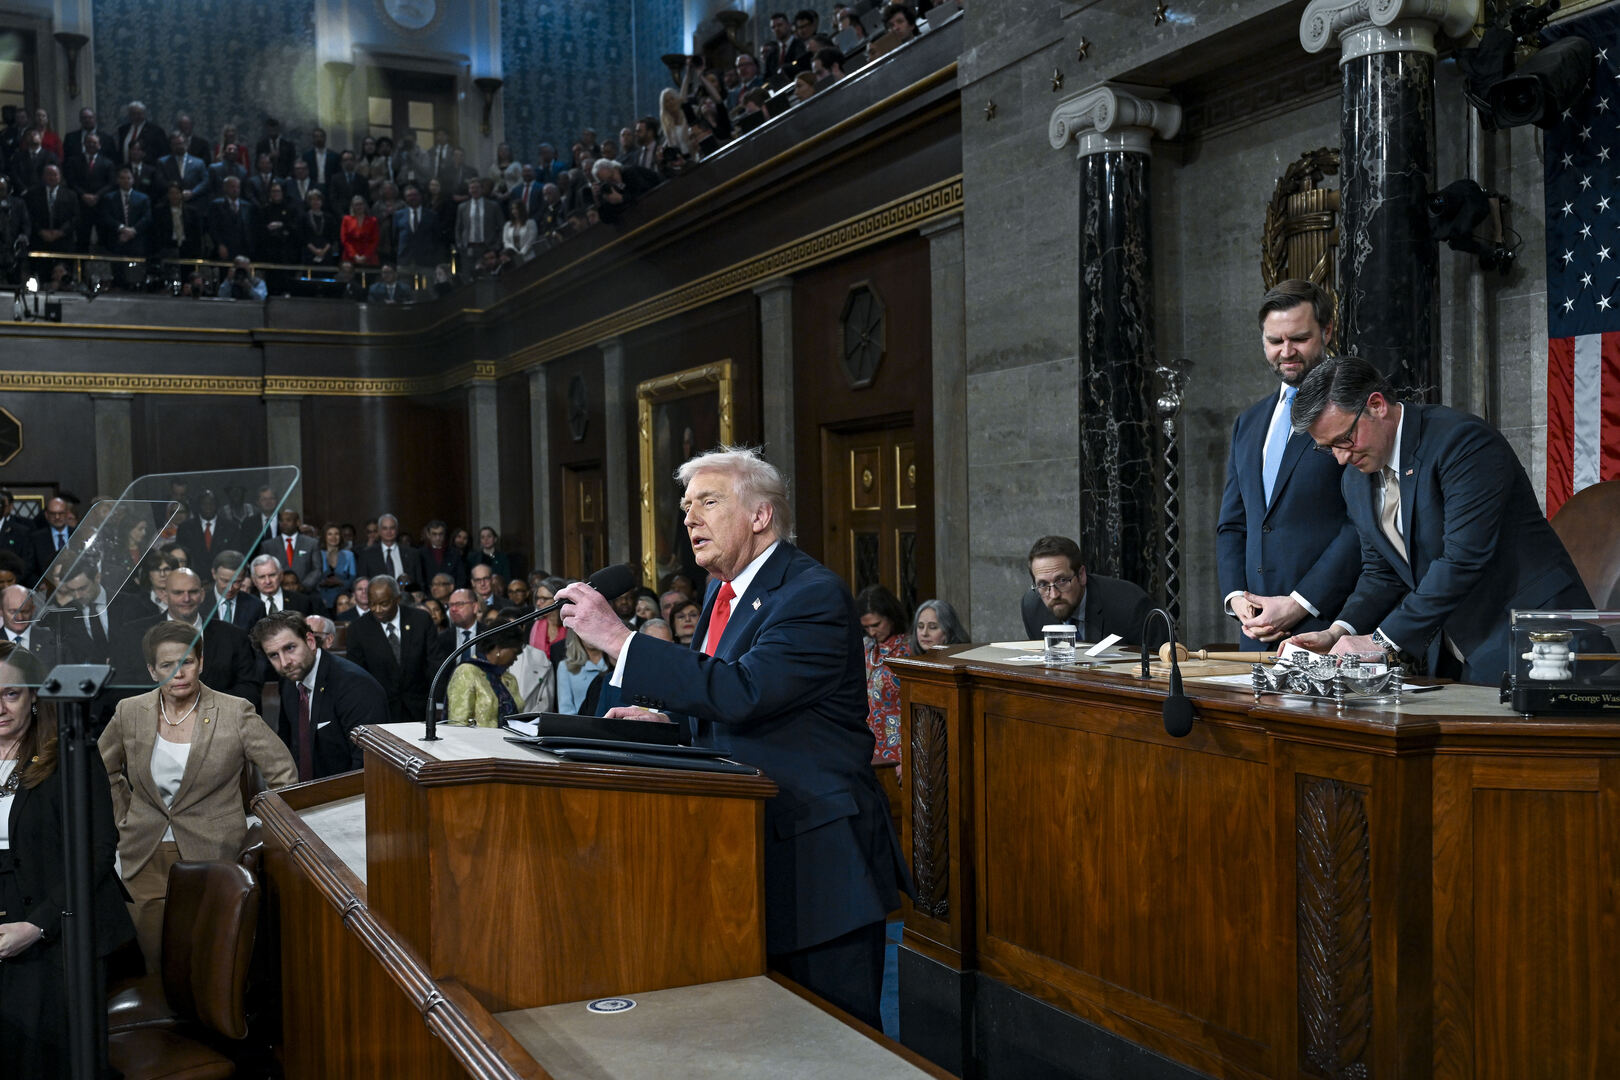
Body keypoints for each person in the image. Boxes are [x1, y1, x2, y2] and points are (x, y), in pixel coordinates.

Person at [556, 446, 906, 1029]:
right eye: (686, 506)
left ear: (760, 516)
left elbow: (747, 690)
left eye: (708, 503)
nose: (690, 518)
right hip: (744, 850)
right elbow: (731, 703)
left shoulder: (809, 594)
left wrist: (620, 642)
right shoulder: (723, 591)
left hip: (815, 857)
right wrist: (673, 723)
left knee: (835, 1042)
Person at [1285, 356, 1594, 684]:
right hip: (1463, 650)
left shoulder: (1462, 442)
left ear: (1376, 405)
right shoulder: (1356, 479)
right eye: (1328, 448)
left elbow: (1463, 559)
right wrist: (1339, 632)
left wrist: (1380, 643)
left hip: (1539, 639)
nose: (1341, 457)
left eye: (1345, 439)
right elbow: (1382, 573)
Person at [98, 620, 297, 969]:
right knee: (155, 964)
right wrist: (123, 814)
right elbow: (102, 771)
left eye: (186, 662)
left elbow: (283, 774)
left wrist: (265, 833)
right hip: (144, 851)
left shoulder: (235, 711)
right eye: (166, 665)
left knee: (206, 963)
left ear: (200, 663)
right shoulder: (130, 711)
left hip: (215, 852)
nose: (178, 673)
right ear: (151, 669)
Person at [0, 642, 134, 1079]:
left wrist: (38, 925)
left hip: (61, 922)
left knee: (40, 1048)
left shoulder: (70, 751)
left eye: (10, 693)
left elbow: (97, 850)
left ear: (35, 694)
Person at [1217, 281, 1360, 648]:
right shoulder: (1247, 423)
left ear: (1327, 331)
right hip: (1256, 633)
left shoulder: (1355, 408)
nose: (1286, 352)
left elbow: (1364, 524)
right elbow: (1234, 524)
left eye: (1298, 338)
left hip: (1329, 626)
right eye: (1274, 341)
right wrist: (1236, 597)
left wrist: (1299, 603)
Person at [253, 611, 387, 781]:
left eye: (290, 648)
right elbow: (289, 748)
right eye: (274, 655)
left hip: (349, 797)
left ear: (310, 641)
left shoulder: (356, 686)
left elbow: (367, 766)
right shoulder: (289, 681)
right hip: (304, 794)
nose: (285, 662)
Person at [1019, 535, 1158, 647]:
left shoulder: (1130, 605)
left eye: (1061, 581)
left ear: (1081, 575)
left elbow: (1163, 664)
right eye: (1043, 584)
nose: (1054, 594)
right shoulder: (1032, 608)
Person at [343, 576, 439, 726]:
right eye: (372, 604)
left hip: (420, 709)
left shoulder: (420, 620)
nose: (377, 610)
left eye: (383, 604)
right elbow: (357, 675)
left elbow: (434, 663)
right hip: (380, 712)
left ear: (397, 599)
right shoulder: (358, 629)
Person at [856, 584, 907, 767]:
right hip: (866, 746)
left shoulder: (908, 651)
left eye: (876, 625)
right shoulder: (865, 646)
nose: (872, 632)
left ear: (891, 616)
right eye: (866, 627)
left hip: (900, 747)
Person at [445, 614, 526, 727]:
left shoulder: (508, 678)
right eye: (515, 652)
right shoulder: (467, 672)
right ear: (499, 648)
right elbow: (458, 722)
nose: (516, 658)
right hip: (475, 743)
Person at [556, 630, 607, 714]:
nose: (590, 634)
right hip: (581, 725)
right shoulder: (564, 667)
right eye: (585, 629)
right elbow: (566, 710)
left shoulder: (616, 662)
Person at [316, 522, 357, 609]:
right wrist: (323, 583)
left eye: (336, 534)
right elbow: (314, 578)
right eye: (330, 534)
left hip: (343, 600)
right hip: (322, 598)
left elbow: (353, 579)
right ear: (324, 537)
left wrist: (340, 582)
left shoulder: (349, 555)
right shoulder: (318, 554)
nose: (333, 537)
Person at [341, 193, 379, 265]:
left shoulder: (373, 221)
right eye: (356, 204)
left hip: (369, 257)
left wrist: (365, 256)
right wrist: (354, 255)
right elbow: (345, 240)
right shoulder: (346, 219)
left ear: (365, 205)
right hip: (350, 257)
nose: (359, 207)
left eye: (361, 204)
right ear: (352, 206)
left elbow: (374, 240)